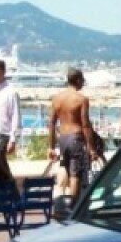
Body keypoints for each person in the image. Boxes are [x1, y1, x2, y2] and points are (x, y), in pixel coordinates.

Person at [47, 66, 97, 200]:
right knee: (76, 174)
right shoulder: (81, 99)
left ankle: (59, 200)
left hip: (62, 137)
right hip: (76, 137)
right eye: (82, 80)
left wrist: (51, 147)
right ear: (78, 80)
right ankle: (73, 207)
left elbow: (51, 123)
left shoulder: (57, 98)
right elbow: (85, 125)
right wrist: (92, 148)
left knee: (64, 167)